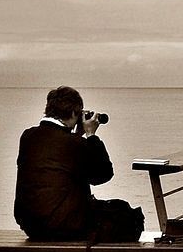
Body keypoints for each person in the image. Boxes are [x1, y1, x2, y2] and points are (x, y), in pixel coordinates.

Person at [14, 86, 144, 242]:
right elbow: (103, 175)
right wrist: (91, 136)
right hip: (66, 226)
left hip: (31, 225)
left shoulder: (28, 136)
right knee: (128, 215)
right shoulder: (76, 144)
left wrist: (76, 136)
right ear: (75, 113)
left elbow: (61, 161)